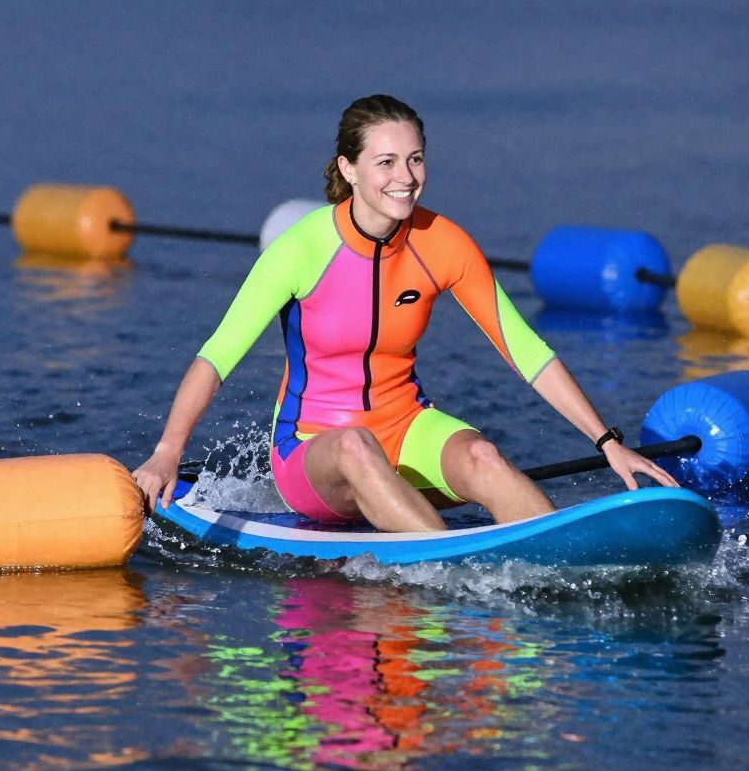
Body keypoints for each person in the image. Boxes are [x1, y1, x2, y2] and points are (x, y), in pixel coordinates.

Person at [132, 95, 676, 531]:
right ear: (348, 168)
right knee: (353, 445)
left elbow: (525, 350)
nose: (406, 176)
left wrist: (608, 444)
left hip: (406, 427)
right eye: (386, 161)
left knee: (483, 455)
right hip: (314, 450)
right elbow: (217, 357)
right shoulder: (299, 251)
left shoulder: (443, 242)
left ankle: (571, 555)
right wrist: (165, 453)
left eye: (415, 159)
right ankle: (449, 562)